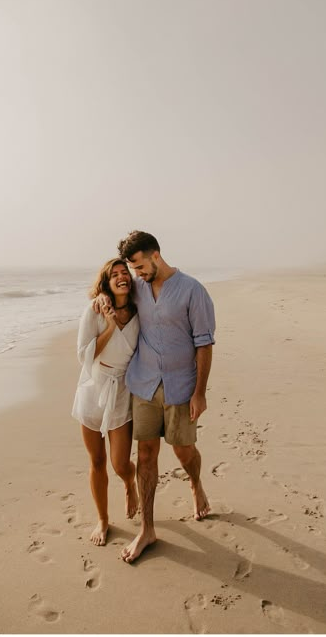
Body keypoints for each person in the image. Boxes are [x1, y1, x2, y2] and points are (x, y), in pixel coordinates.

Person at [93, 231, 215, 563]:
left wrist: (200, 393)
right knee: (145, 454)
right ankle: (147, 529)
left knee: (183, 450)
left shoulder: (193, 290)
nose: (135, 274)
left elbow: (204, 343)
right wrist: (103, 301)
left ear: (155, 255)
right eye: (131, 268)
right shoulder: (138, 290)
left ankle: (195, 484)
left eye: (139, 266)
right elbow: (110, 294)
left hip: (181, 386)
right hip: (143, 384)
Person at [72, 258, 140, 546]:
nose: (122, 276)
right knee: (97, 461)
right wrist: (110, 326)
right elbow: (84, 355)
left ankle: (128, 483)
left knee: (121, 463)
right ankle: (103, 519)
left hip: (122, 390)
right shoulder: (95, 310)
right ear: (106, 282)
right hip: (93, 388)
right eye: (115, 274)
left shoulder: (141, 308)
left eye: (125, 272)